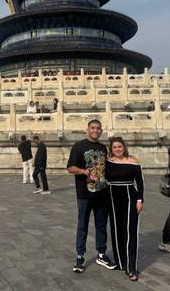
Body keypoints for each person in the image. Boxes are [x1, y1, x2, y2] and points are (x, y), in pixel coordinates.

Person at [67, 119, 116, 273]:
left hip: (102, 193)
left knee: (101, 225)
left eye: (98, 128)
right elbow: (70, 167)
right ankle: (80, 256)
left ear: (101, 130)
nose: (96, 130)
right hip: (84, 193)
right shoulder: (78, 146)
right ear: (87, 129)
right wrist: (83, 171)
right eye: (93, 128)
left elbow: (108, 167)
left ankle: (101, 254)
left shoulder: (102, 148)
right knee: (83, 225)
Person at [105, 137, 144, 282]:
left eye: (119, 146)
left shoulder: (133, 162)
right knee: (117, 231)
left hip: (130, 199)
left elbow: (140, 182)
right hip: (112, 199)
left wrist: (140, 200)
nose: (117, 149)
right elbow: (98, 176)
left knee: (130, 231)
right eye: (114, 147)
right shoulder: (108, 162)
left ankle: (131, 266)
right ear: (111, 149)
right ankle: (121, 262)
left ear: (124, 147)